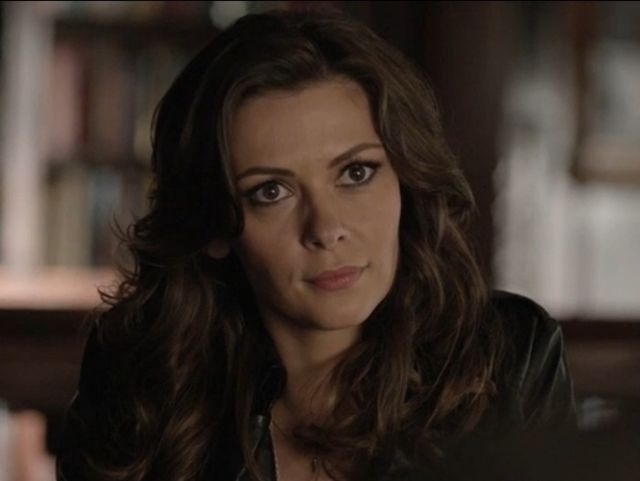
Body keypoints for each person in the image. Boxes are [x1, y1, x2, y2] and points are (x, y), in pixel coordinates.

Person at [56, 8, 576, 481]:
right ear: (213, 225)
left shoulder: (506, 361)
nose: (326, 229)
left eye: (356, 173)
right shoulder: (140, 386)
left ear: (405, 178)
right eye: (271, 192)